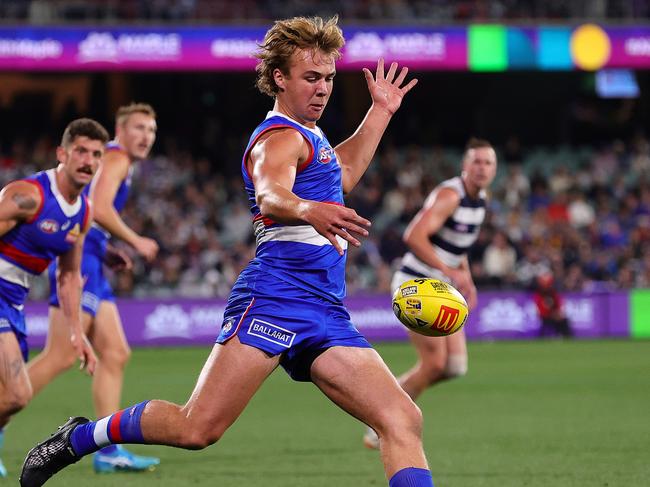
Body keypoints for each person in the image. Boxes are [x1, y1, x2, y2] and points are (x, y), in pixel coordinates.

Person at [20, 16, 433, 487]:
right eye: (311, 78)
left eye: (329, 79)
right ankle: (81, 437)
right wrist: (308, 209)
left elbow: (343, 171)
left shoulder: (312, 136)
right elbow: (270, 193)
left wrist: (379, 111)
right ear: (280, 77)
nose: (322, 90)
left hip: (325, 308)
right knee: (197, 428)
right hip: (274, 298)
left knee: (402, 419)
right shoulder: (277, 137)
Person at [26, 103, 160, 473]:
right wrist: (136, 240)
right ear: (120, 131)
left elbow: (92, 214)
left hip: (92, 256)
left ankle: (107, 450)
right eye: (138, 128)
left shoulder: (120, 164)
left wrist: (107, 249)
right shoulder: (115, 158)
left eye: (151, 130)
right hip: (80, 261)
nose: (146, 136)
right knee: (60, 355)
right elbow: (98, 208)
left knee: (115, 352)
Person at [364, 138, 497, 449]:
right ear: (465, 166)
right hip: (416, 285)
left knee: (455, 367)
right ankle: (383, 418)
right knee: (435, 363)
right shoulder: (451, 195)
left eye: (488, 163)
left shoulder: (481, 200)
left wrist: (467, 281)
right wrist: (449, 272)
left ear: (495, 170)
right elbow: (414, 235)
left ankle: (382, 407)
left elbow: (458, 248)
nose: (481, 168)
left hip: (441, 287)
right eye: (476, 161)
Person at [0, 119, 108, 476]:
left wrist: (77, 332)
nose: (87, 160)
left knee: (9, 399)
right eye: (80, 151)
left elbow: (68, 275)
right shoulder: (27, 196)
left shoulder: (85, 212)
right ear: (62, 154)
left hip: (13, 303)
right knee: (16, 394)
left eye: (96, 154)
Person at [533, 273, 573, 338]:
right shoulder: (538, 295)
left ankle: (566, 337)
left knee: (563, 320)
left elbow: (559, 305)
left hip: (554, 315)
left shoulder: (553, 294)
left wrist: (557, 313)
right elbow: (540, 310)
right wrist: (551, 314)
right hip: (545, 316)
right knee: (548, 322)